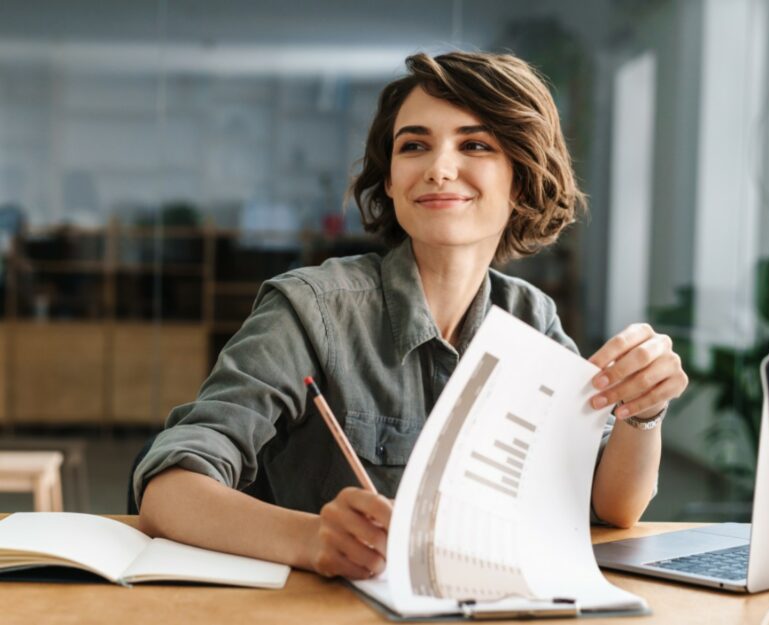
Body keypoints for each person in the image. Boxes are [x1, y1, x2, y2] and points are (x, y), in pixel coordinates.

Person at [136, 51, 688, 581]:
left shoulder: (530, 316)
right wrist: (311, 539)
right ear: (393, 179)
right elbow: (169, 489)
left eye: (474, 144)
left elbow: (609, 507)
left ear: (521, 176)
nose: (439, 169)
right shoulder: (310, 308)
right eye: (414, 146)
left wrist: (643, 411)